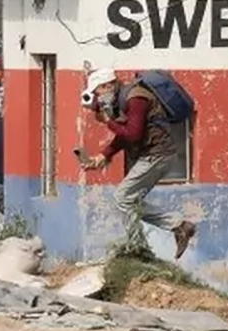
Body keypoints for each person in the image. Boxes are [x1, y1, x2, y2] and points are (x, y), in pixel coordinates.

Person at [76, 68, 197, 259]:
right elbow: (125, 135)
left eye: (97, 92)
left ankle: (137, 248)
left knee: (122, 198)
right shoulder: (124, 99)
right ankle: (179, 226)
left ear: (107, 86)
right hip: (154, 155)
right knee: (129, 201)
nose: (97, 97)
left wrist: (108, 121)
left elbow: (133, 135)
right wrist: (103, 155)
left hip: (158, 155)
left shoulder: (136, 99)